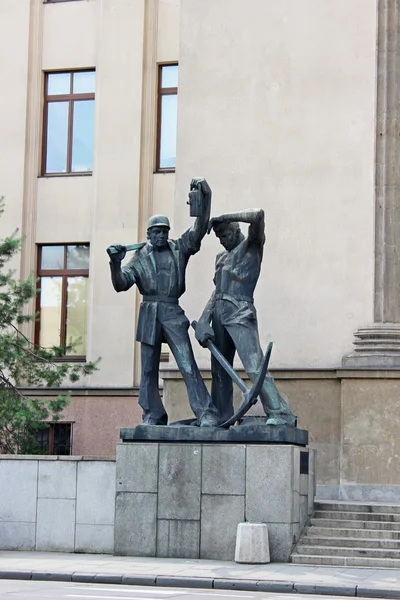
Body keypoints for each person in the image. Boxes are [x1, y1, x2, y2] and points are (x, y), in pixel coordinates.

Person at [107, 178, 219, 427]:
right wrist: (115, 262)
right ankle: (152, 414)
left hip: (171, 310)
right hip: (149, 312)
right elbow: (121, 284)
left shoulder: (179, 248)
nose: (161, 235)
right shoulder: (139, 257)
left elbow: (199, 228)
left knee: (186, 362)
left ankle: (206, 412)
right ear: (148, 235)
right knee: (148, 369)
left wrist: (205, 197)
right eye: (156, 231)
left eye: (164, 231)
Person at [195, 208, 295, 426]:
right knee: (219, 369)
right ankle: (222, 415)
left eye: (225, 235)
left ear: (236, 229)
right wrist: (204, 320)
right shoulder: (221, 257)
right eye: (219, 237)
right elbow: (217, 291)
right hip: (220, 313)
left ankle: (280, 412)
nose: (222, 241)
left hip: (240, 312)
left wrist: (227, 216)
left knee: (254, 365)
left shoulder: (253, 246)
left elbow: (258, 215)